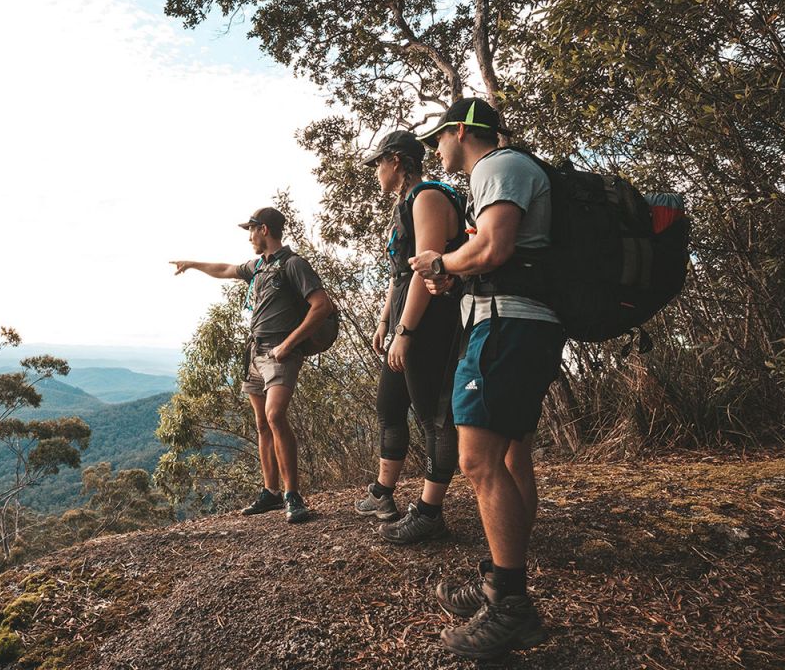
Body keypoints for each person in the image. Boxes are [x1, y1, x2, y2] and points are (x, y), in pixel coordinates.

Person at [408, 98, 565, 659]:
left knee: (476, 461)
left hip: (506, 328)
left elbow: (495, 246)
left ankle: (512, 608)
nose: (435, 150)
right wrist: (455, 274)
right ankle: (502, 583)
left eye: (438, 139)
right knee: (511, 456)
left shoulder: (497, 165)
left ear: (460, 130)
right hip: (518, 322)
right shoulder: (502, 172)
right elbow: (496, 252)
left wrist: (438, 264)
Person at [171, 207, 335, 524]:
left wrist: (289, 344)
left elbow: (321, 306)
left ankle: (293, 496)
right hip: (255, 352)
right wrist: (192, 264)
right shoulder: (259, 266)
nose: (249, 238)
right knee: (262, 423)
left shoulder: (293, 264)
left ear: (263, 230)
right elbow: (225, 269)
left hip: (281, 352)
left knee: (275, 416)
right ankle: (271, 492)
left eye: (251, 231)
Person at [350, 130, 466, 545]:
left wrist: (406, 330)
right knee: (389, 403)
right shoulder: (407, 204)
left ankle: (430, 513)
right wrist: (386, 321)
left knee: (434, 418)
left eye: (378, 163)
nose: (376, 172)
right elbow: (399, 275)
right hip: (404, 315)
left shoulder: (429, 198)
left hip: (430, 320)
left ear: (396, 161)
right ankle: (383, 493)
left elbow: (427, 269)